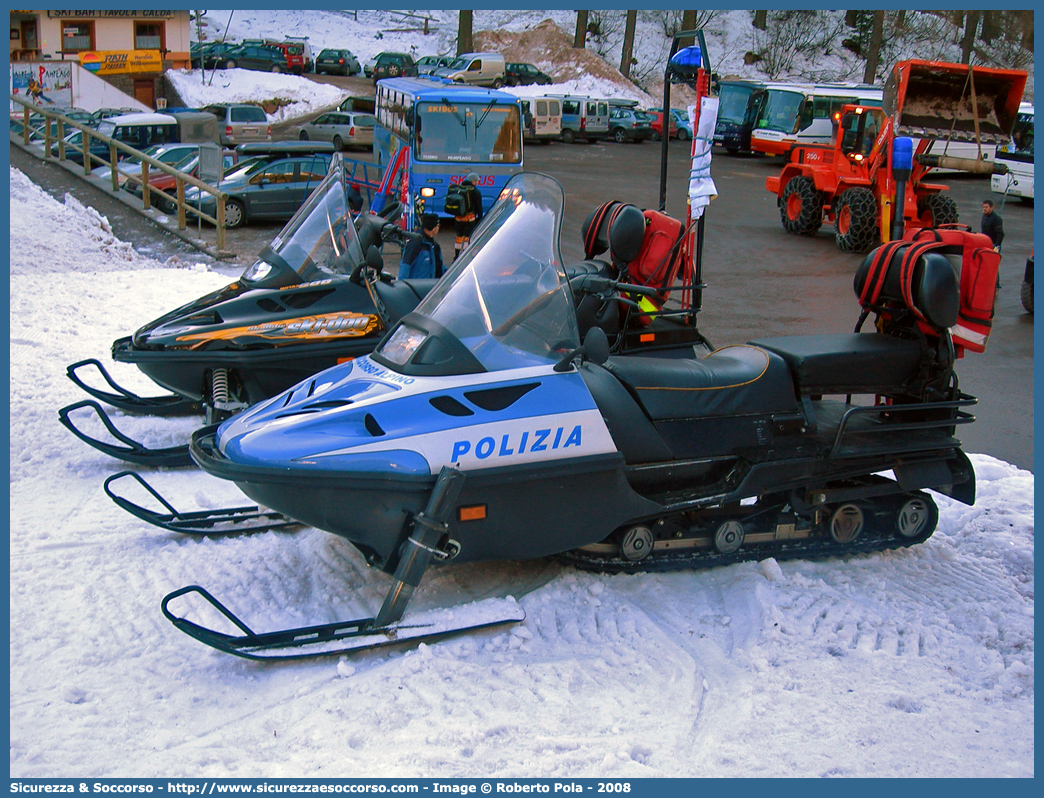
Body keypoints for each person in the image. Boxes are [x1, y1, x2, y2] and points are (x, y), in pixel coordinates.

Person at [398, 213, 444, 280]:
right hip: (418, 288)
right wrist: (402, 286)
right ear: (434, 227)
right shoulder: (415, 243)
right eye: (438, 225)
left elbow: (439, 267)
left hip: (431, 286)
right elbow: (405, 266)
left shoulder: (435, 246)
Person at [452, 172, 484, 261]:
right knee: (467, 237)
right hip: (470, 218)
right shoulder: (475, 192)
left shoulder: (458, 189)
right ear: (473, 181)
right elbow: (479, 206)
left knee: (459, 236)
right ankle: (465, 256)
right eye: (476, 181)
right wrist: (480, 218)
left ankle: (456, 255)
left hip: (458, 218)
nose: (477, 182)